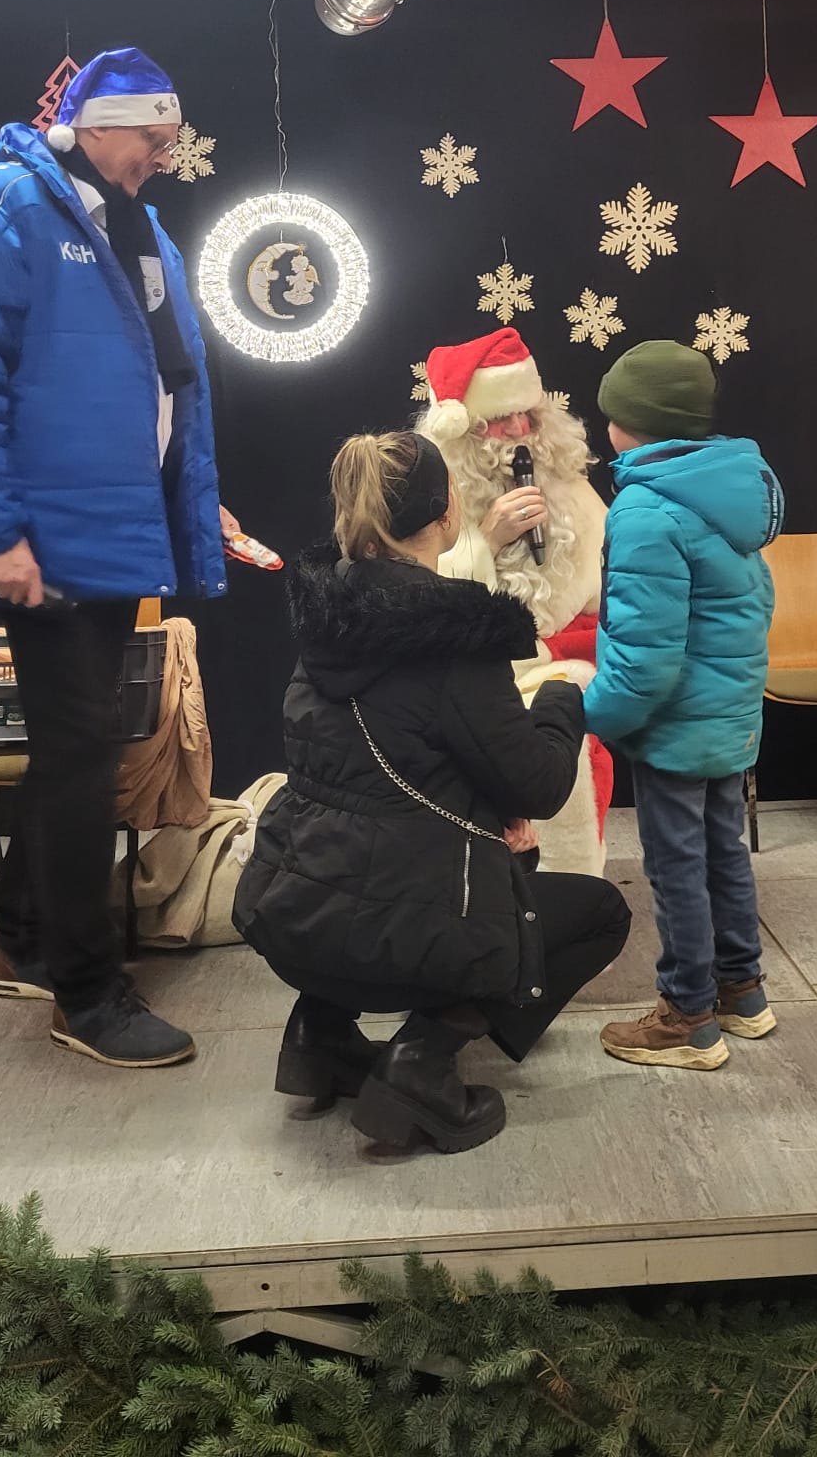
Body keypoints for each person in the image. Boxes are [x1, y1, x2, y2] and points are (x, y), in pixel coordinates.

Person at [0, 48, 231, 1070]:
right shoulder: (5, 201)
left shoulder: (131, 221)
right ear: (93, 125)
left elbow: (166, 381)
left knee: (72, 751)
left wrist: (193, 502)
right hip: (47, 539)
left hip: (114, 527)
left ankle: (26, 938)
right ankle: (87, 996)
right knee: (82, 755)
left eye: (170, 140)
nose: (163, 156)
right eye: (152, 137)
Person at [234, 430, 631, 1155]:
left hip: (293, 915)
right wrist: (561, 698)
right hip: (398, 930)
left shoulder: (324, 617)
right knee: (601, 913)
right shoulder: (457, 636)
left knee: (368, 841)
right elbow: (541, 785)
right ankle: (423, 1060)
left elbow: (396, 757)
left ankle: (320, 1032)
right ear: (448, 511)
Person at [583, 341, 784, 1072]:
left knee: (677, 870)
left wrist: (587, 718)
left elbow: (645, 659)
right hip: (728, 717)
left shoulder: (646, 509)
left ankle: (688, 1018)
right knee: (724, 854)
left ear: (628, 422)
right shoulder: (729, 490)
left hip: (675, 728)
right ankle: (743, 993)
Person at [417, 327, 612, 875]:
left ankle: (570, 884)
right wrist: (487, 541)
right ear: (464, 430)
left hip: (560, 664)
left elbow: (606, 590)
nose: (521, 431)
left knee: (562, 731)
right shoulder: (433, 497)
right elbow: (422, 596)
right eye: (503, 420)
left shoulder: (569, 485)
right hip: (467, 670)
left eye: (529, 415)